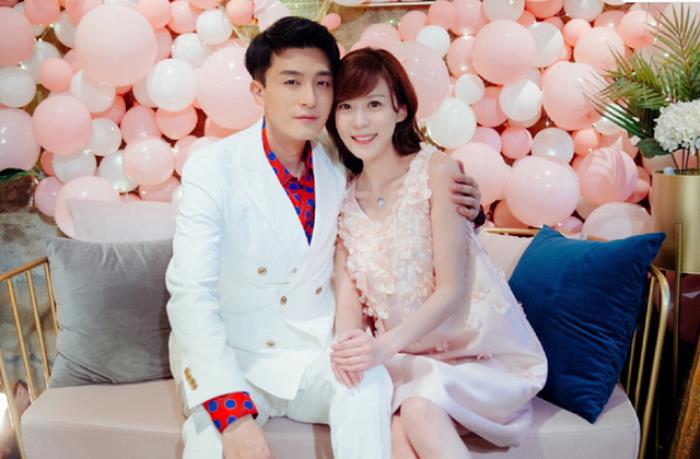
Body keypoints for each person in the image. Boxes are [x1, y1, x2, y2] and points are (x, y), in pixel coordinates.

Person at [166, 17, 484, 459]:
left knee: (369, 380)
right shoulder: (213, 167)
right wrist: (233, 415)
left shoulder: (342, 157)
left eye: (322, 83)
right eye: (291, 82)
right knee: (209, 441)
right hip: (236, 355)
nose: (309, 99)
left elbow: (399, 190)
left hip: (312, 353)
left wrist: (469, 204)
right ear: (258, 92)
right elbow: (190, 293)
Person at [328, 48, 548, 459]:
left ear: (400, 109)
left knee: (418, 408)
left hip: (477, 356)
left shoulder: (436, 172)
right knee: (396, 429)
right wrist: (350, 349)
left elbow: (451, 290)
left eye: (374, 104)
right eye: (346, 107)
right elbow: (348, 305)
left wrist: (381, 348)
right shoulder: (343, 198)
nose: (359, 121)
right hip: (407, 360)